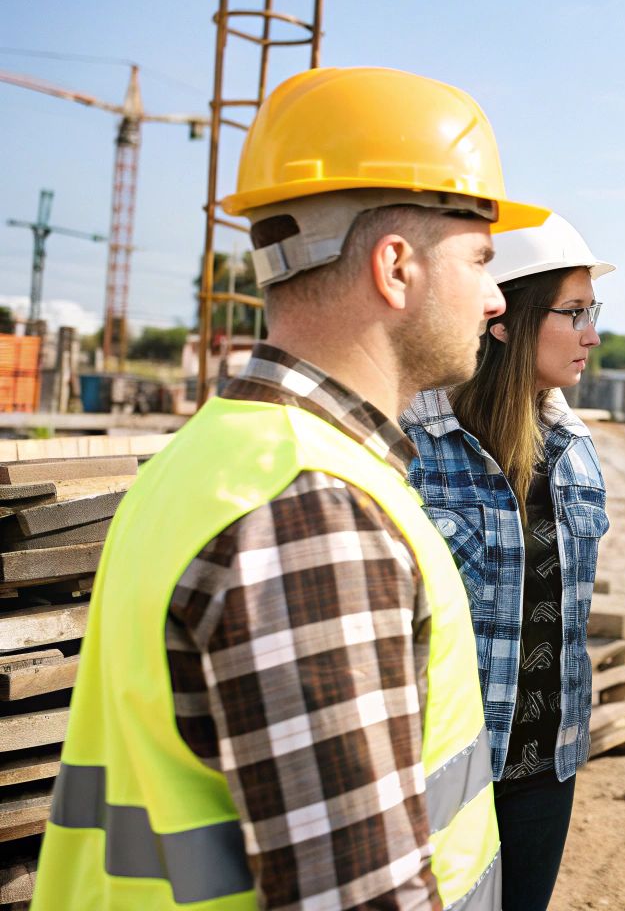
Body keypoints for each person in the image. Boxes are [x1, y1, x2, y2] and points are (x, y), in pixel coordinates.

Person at [33, 66, 543, 910]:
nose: (497, 300)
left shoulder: (221, 456)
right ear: (396, 267)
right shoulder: (313, 513)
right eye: (483, 258)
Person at [402, 212, 614, 910]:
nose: (593, 333)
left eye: (594, 311)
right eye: (574, 312)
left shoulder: (574, 450)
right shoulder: (414, 448)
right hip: (438, 776)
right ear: (506, 319)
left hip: (544, 773)